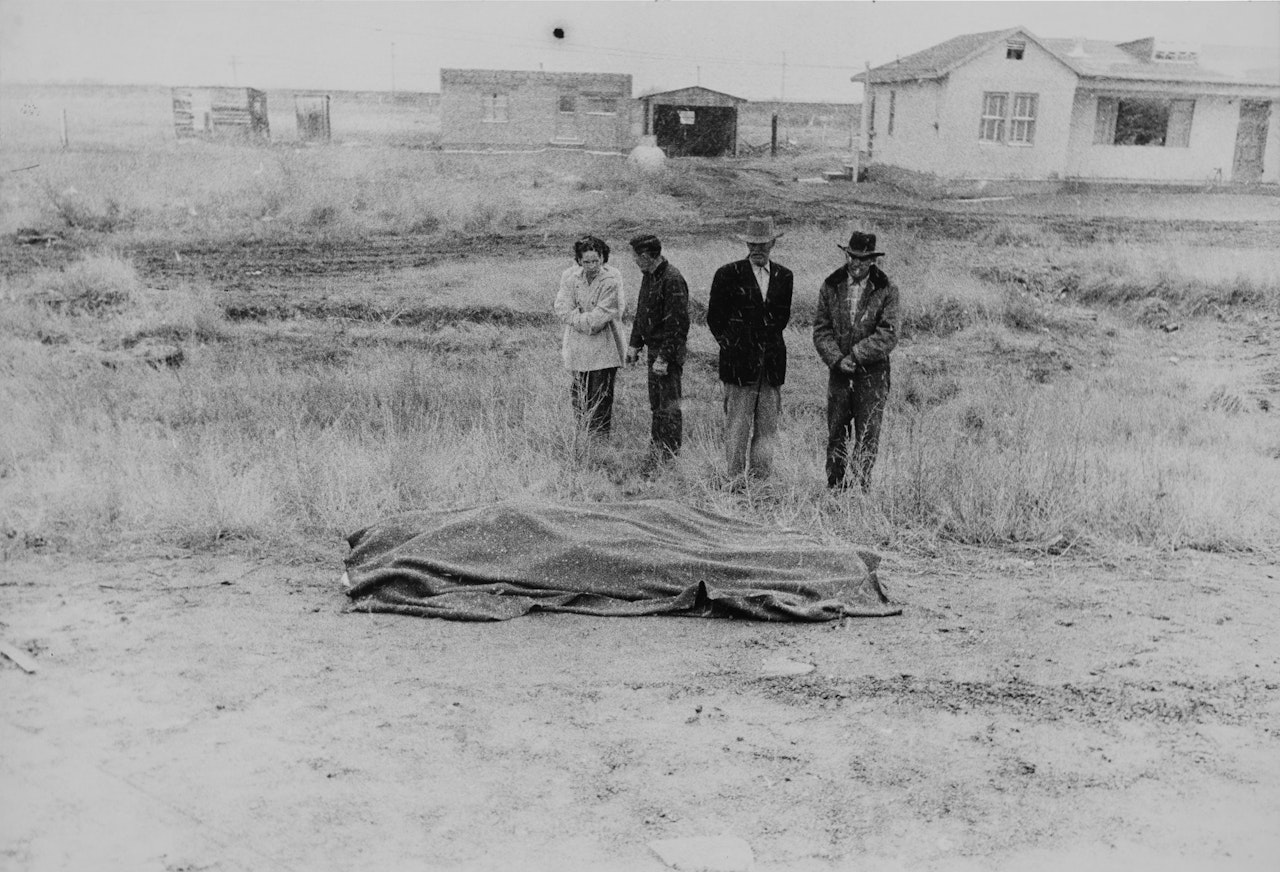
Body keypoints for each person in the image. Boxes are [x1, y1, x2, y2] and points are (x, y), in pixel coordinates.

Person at [706, 216, 794, 482]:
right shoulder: (727, 273)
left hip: (771, 366)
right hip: (738, 366)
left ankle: (760, 482)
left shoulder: (784, 276)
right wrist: (735, 348)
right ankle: (733, 481)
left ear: (772, 243)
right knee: (737, 427)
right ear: (745, 243)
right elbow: (715, 319)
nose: (758, 249)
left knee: (767, 429)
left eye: (763, 244)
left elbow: (781, 319)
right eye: (752, 243)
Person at [813, 231, 900, 491]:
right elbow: (821, 329)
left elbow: (889, 333)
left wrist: (857, 355)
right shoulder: (831, 285)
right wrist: (837, 359)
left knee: (868, 434)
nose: (856, 263)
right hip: (839, 372)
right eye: (852, 256)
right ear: (846, 254)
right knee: (836, 432)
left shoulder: (887, 288)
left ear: (873, 260)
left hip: (872, 375)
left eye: (863, 259)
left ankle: (861, 490)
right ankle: (836, 488)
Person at [626, 233, 689, 465]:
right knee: (657, 405)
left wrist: (664, 357)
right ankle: (656, 453)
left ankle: (670, 458)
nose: (633, 261)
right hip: (654, 351)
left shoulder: (672, 279)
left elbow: (678, 325)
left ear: (645, 256)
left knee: (669, 406)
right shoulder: (649, 275)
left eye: (635, 257)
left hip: (668, 354)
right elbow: (642, 312)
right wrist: (634, 344)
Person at [553, 235, 626, 438]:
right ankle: (583, 436)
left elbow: (603, 316)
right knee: (580, 394)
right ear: (578, 261)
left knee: (601, 395)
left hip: (604, 345)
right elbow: (561, 307)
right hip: (578, 346)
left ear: (603, 258)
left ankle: (600, 439)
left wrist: (578, 317)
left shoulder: (611, 279)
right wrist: (580, 318)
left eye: (596, 260)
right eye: (586, 261)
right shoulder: (571, 277)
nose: (592, 265)